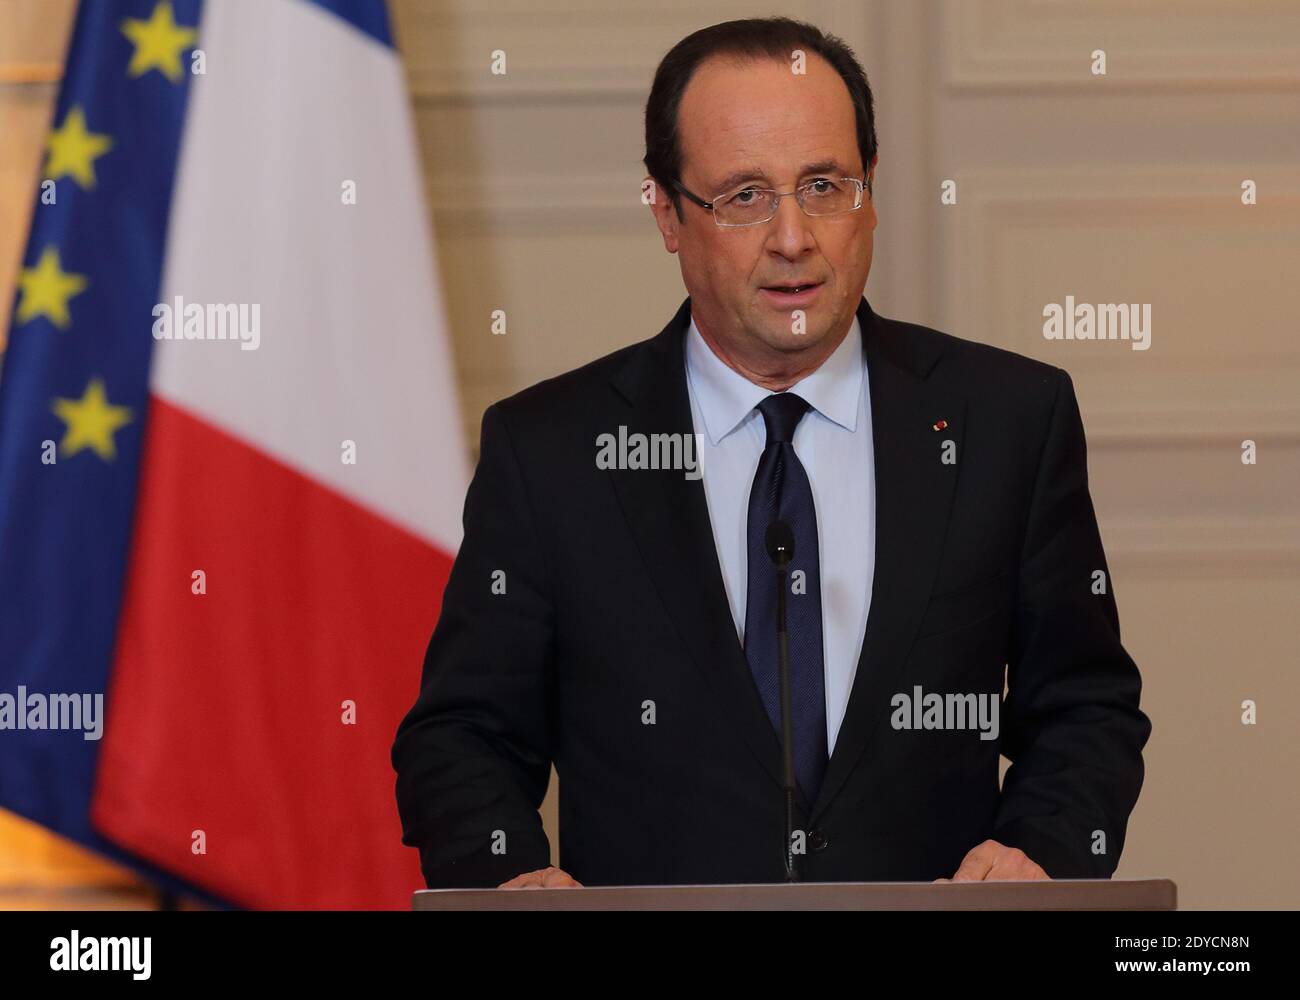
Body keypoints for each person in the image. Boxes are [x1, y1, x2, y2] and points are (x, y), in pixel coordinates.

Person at [392, 16, 1151, 889]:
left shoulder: (1007, 421)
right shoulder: (551, 451)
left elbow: (1087, 709)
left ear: (870, 193)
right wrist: (512, 880)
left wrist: (1037, 853)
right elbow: (462, 737)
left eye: (825, 185)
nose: (794, 238)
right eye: (745, 196)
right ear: (668, 213)